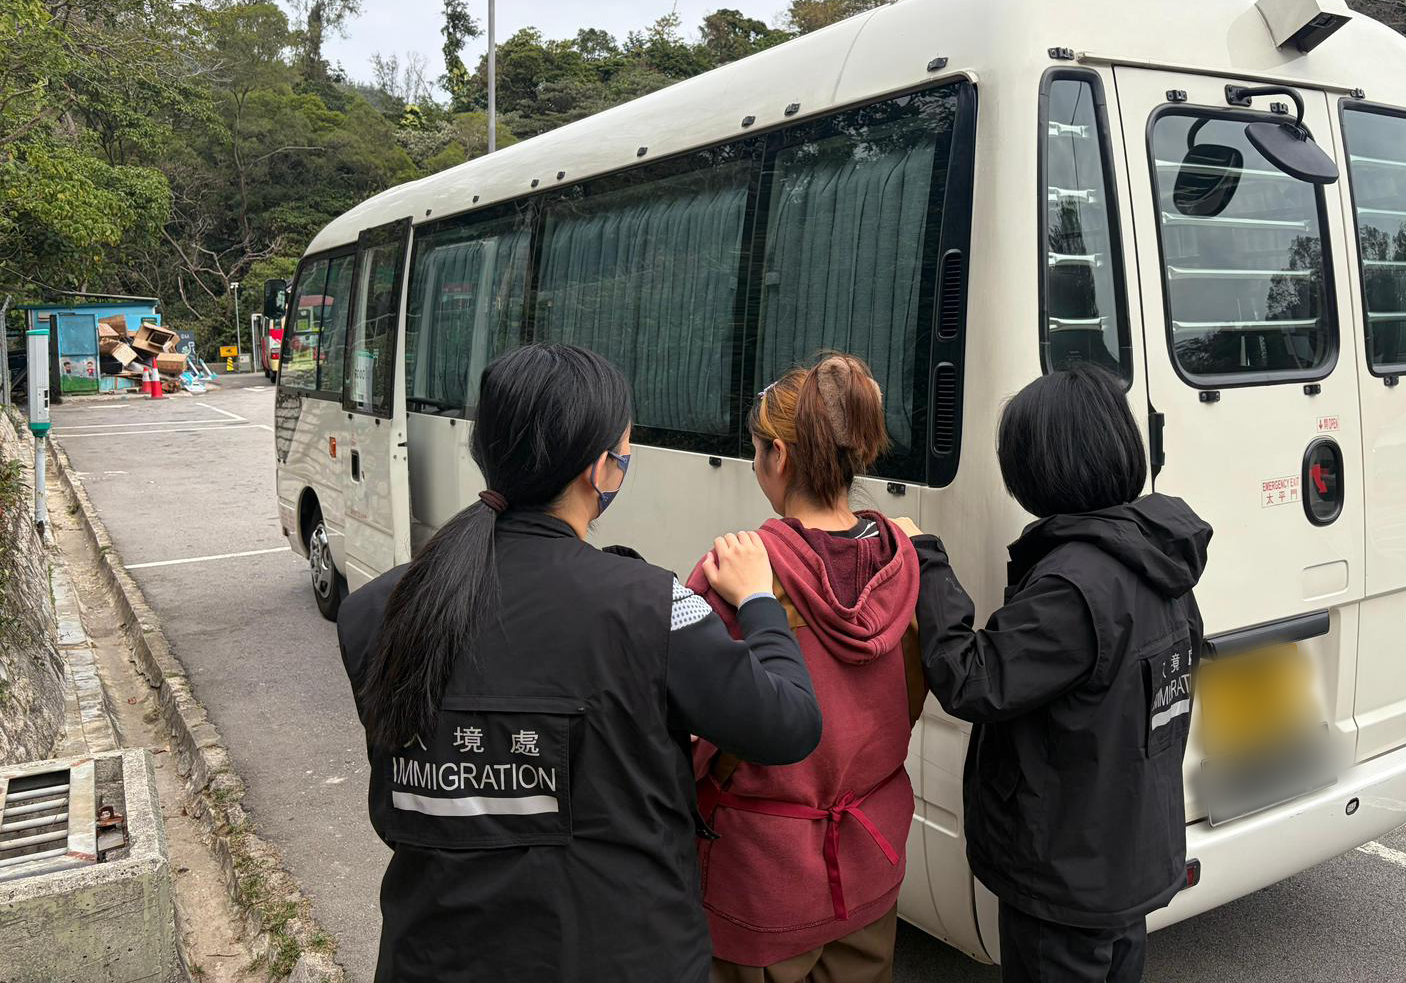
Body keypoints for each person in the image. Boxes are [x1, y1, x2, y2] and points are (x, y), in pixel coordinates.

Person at [336, 343, 823, 983]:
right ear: (602, 470)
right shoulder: (656, 606)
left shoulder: (375, 609)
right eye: (624, 451)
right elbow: (789, 724)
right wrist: (759, 601)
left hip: (431, 958)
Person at [899, 363, 1210, 983]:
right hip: (1123, 855)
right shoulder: (1156, 555)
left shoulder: (1075, 586)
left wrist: (926, 561)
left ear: (1041, 470)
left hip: (1067, 874)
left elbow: (972, 679)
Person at [689, 353, 924, 983]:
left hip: (761, 882)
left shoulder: (737, 572)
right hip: (870, 860)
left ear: (780, 456)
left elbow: (692, 735)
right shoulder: (906, 563)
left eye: (758, 448)